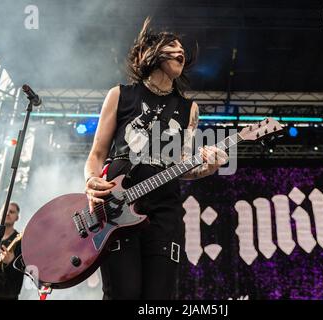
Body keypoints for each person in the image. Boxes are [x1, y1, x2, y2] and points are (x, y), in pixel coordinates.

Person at [84, 17, 228, 300]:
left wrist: (207, 169)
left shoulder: (189, 109)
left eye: (182, 48)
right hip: (116, 207)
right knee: (123, 292)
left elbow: (182, 165)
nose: (180, 51)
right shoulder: (120, 95)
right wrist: (90, 180)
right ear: (151, 52)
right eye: (172, 45)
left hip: (163, 210)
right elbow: (97, 154)